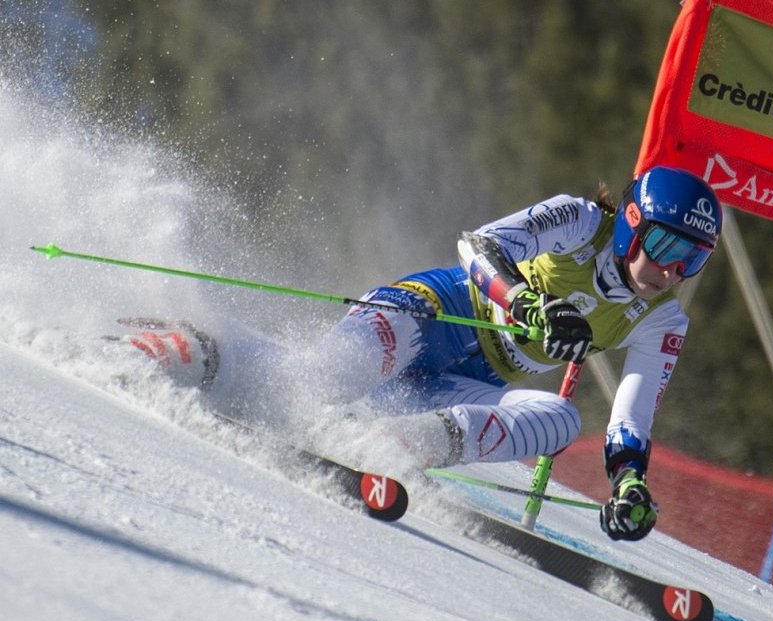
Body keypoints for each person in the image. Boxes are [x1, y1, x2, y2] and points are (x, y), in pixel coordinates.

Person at [120, 165, 722, 542]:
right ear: (632, 223)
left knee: (560, 419)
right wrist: (529, 304)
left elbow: (630, 418)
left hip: (459, 384)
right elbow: (478, 245)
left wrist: (629, 485)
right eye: (666, 244)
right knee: (316, 383)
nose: (672, 269)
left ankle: (395, 447)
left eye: (692, 258)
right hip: (428, 313)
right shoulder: (583, 222)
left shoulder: (663, 319)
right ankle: (201, 346)